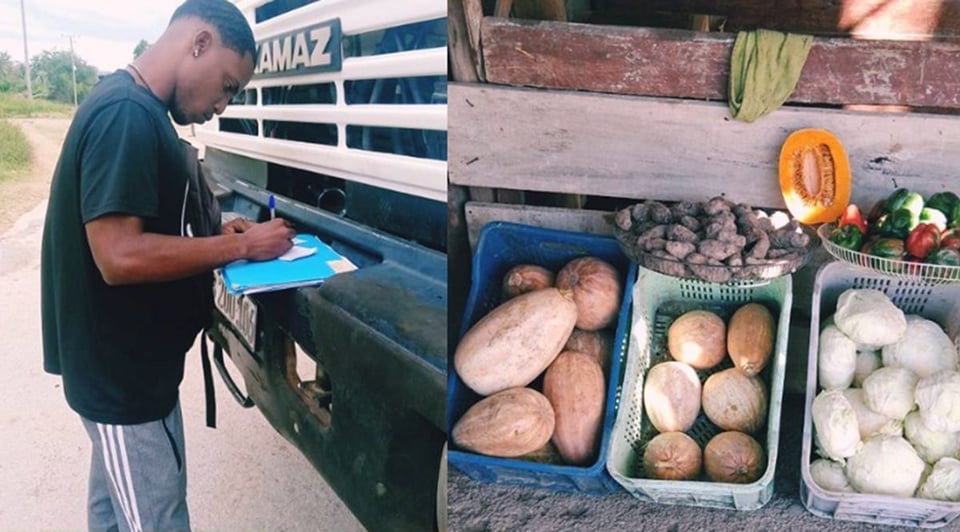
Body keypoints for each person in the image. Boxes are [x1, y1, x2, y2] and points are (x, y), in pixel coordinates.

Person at [40, 1, 294, 530]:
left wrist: (216, 236)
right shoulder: (126, 116)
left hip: (127, 375)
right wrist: (240, 250)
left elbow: (147, 231)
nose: (223, 105)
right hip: (122, 381)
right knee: (157, 518)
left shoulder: (137, 109)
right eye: (226, 85)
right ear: (198, 43)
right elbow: (119, 254)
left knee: (114, 514)